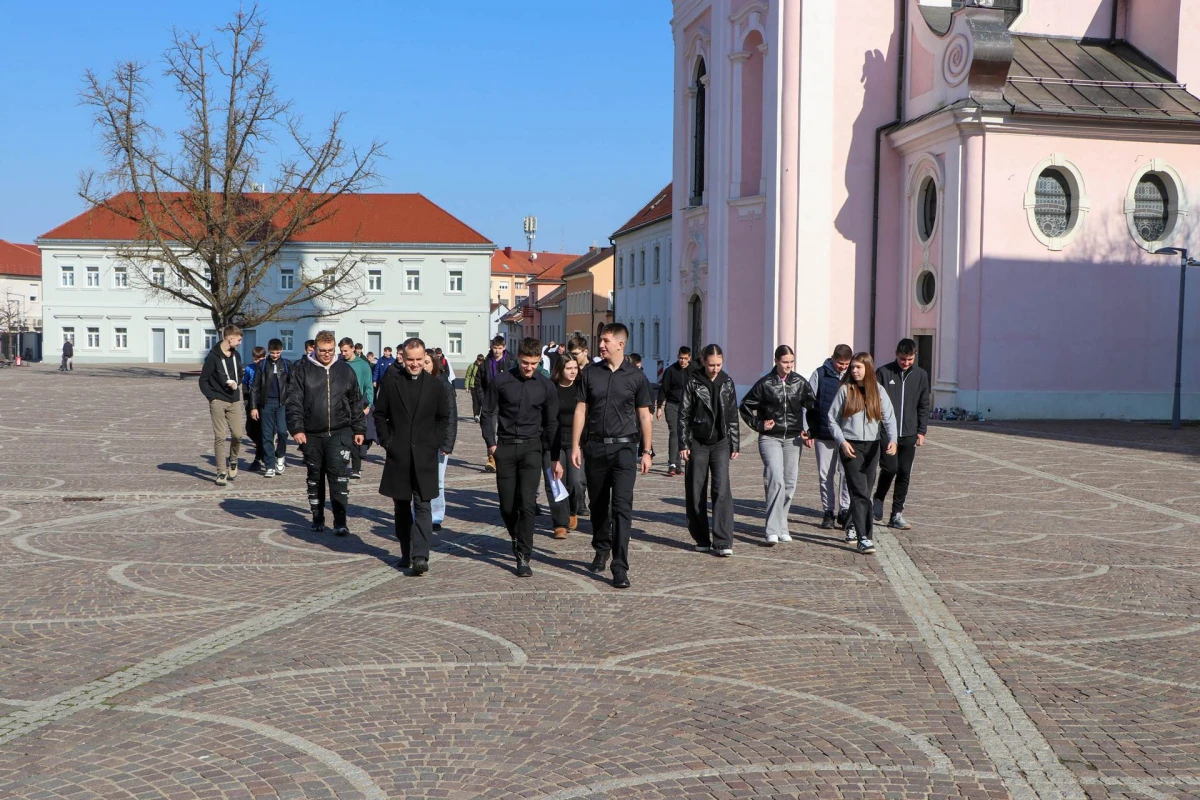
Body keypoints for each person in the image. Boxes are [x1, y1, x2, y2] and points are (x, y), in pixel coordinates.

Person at [570, 323, 653, 589]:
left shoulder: (636, 377)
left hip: (625, 450)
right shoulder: (590, 373)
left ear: (620, 344)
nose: (601, 345)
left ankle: (620, 566)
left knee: (622, 507)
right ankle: (601, 547)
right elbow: (581, 410)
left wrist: (647, 451)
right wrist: (575, 445)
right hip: (595, 448)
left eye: (606, 340)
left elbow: (644, 416)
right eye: (600, 340)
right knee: (597, 505)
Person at [481, 338, 560, 577]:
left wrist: (552, 454)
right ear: (518, 358)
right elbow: (487, 413)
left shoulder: (546, 386)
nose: (529, 367)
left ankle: (524, 555)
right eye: (525, 363)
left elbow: (553, 422)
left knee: (527, 504)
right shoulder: (501, 381)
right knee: (507, 506)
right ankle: (516, 536)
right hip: (505, 447)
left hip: (532, 449)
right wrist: (492, 444)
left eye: (534, 364)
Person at [374, 338, 450, 575]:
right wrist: (387, 441)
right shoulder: (391, 382)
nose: (415, 364)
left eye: (419, 359)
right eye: (410, 360)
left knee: (423, 505)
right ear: (403, 358)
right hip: (399, 455)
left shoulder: (435, 385)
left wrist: (435, 442)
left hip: (425, 455)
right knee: (401, 508)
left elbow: (443, 418)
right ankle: (406, 552)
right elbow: (380, 415)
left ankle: (421, 556)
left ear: (424, 357)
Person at [738, 345, 820, 545]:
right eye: (785, 362)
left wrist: (810, 431)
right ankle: (772, 530)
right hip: (770, 438)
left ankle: (782, 525)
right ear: (776, 361)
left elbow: (813, 407)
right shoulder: (765, 383)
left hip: (793, 439)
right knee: (776, 479)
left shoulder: (799, 382)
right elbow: (745, 406)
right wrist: (759, 424)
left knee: (789, 483)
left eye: (791, 362)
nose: (789, 366)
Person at [286, 331, 366, 535]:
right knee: (315, 477)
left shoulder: (345, 370)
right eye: (323, 351)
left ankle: (340, 521)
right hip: (312, 434)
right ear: (315, 348)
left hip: (340, 432)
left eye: (330, 350)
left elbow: (355, 401)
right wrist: (296, 428)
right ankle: (317, 516)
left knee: (339, 477)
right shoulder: (302, 370)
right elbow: (294, 401)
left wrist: (359, 428)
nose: (327, 354)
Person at [827, 352, 897, 555]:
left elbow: (889, 417)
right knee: (859, 492)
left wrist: (892, 439)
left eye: (858, 367)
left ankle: (850, 524)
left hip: (873, 447)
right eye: (853, 367)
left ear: (868, 368)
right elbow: (832, 419)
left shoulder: (878, 390)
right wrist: (842, 442)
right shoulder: (845, 390)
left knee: (865, 492)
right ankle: (864, 537)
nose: (854, 371)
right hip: (851, 447)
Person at [679, 344, 740, 556]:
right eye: (712, 365)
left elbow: (732, 415)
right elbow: (683, 415)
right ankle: (701, 537)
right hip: (698, 441)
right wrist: (683, 444)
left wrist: (735, 443)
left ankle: (723, 541)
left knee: (721, 489)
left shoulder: (727, 382)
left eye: (719, 365)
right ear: (704, 361)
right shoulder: (693, 382)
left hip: (721, 442)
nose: (715, 369)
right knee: (696, 490)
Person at [873, 339, 931, 531]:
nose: (905, 363)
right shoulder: (883, 372)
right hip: (887, 432)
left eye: (909, 359)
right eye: (902, 359)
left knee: (904, 472)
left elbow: (923, 404)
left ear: (915, 356)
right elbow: (874, 402)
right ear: (896, 354)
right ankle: (878, 498)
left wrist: (921, 431)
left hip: (909, 432)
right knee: (890, 468)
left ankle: (896, 514)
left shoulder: (921, 375)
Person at [809, 344, 854, 531]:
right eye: (840, 363)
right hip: (824, 433)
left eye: (846, 364)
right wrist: (808, 429)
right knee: (825, 474)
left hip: (847, 434)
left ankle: (844, 509)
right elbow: (809, 403)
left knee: (846, 473)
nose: (843, 367)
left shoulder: (852, 375)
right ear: (833, 358)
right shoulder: (819, 374)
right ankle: (828, 511)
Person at [199, 325, 246, 486]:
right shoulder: (213, 357)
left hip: (234, 400)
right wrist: (212, 398)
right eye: (238, 340)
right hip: (218, 401)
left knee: (238, 435)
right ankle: (221, 471)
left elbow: (240, 374)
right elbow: (203, 380)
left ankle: (233, 459)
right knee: (220, 436)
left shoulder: (236, 355)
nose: (240, 343)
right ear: (230, 338)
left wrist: (236, 383)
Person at [548, 354, 586, 538]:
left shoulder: (580, 388)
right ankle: (560, 523)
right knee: (556, 482)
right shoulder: (551, 388)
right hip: (553, 440)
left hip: (575, 440)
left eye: (575, 368)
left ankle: (572, 510)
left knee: (576, 482)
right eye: (569, 368)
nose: (573, 372)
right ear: (560, 369)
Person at [422, 349, 458, 530]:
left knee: (437, 481)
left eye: (427, 362)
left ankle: (436, 516)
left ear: (434, 364)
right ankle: (420, 514)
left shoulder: (444, 385)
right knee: (419, 479)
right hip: (420, 439)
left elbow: (451, 416)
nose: (423, 366)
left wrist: (447, 443)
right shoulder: (416, 382)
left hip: (439, 440)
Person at [250, 339, 291, 477]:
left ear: (281, 351)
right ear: (268, 351)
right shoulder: (262, 365)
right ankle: (269, 465)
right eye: (273, 353)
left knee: (283, 432)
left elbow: (292, 385)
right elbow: (255, 387)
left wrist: (291, 402)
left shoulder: (286, 364)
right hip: (266, 404)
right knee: (267, 435)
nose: (275, 355)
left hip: (282, 403)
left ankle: (280, 456)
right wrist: (254, 407)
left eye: (277, 352)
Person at [338, 338, 375, 480]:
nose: (343, 353)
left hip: (357, 404)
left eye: (346, 351)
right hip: (341, 405)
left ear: (353, 348)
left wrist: (368, 405)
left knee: (356, 436)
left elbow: (368, 386)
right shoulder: (339, 363)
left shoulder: (363, 365)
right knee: (342, 436)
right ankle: (342, 465)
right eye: (341, 351)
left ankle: (356, 468)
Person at [479, 336, 516, 473]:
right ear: (491, 347)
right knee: (489, 429)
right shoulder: (486, 363)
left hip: (507, 401)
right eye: (495, 348)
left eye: (499, 348)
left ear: (504, 347)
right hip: (491, 402)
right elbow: (478, 382)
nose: (497, 351)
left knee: (505, 429)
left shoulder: (511, 362)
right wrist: (483, 398)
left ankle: (505, 457)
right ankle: (492, 458)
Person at [656, 346, 692, 476]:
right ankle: (672, 463)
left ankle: (678, 465)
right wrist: (659, 407)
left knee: (684, 434)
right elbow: (663, 389)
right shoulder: (670, 371)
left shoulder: (693, 371)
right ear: (678, 357)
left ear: (689, 358)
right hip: (672, 405)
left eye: (685, 358)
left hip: (687, 407)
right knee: (674, 432)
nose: (683, 361)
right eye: (681, 358)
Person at [243, 346, 267, 472]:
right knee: (250, 429)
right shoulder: (249, 368)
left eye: (261, 359)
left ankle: (258, 458)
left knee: (262, 430)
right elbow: (245, 384)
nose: (258, 361)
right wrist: (246, 399)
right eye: (256, 359)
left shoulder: (267, 368)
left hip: (263, 402)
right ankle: (261, 447)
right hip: (252, 401)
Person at [465, 354, 485, 422]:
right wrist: (467, 387)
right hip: (474, 386)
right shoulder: (472, 366)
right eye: (479, 361)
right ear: (477, 360)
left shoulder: (485, 366)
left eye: (481, 361)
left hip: (482, 386)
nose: (480, 362)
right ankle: (476, 415)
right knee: (475, 401)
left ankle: (483, 415)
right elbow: (468, 376)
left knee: (482, 401)